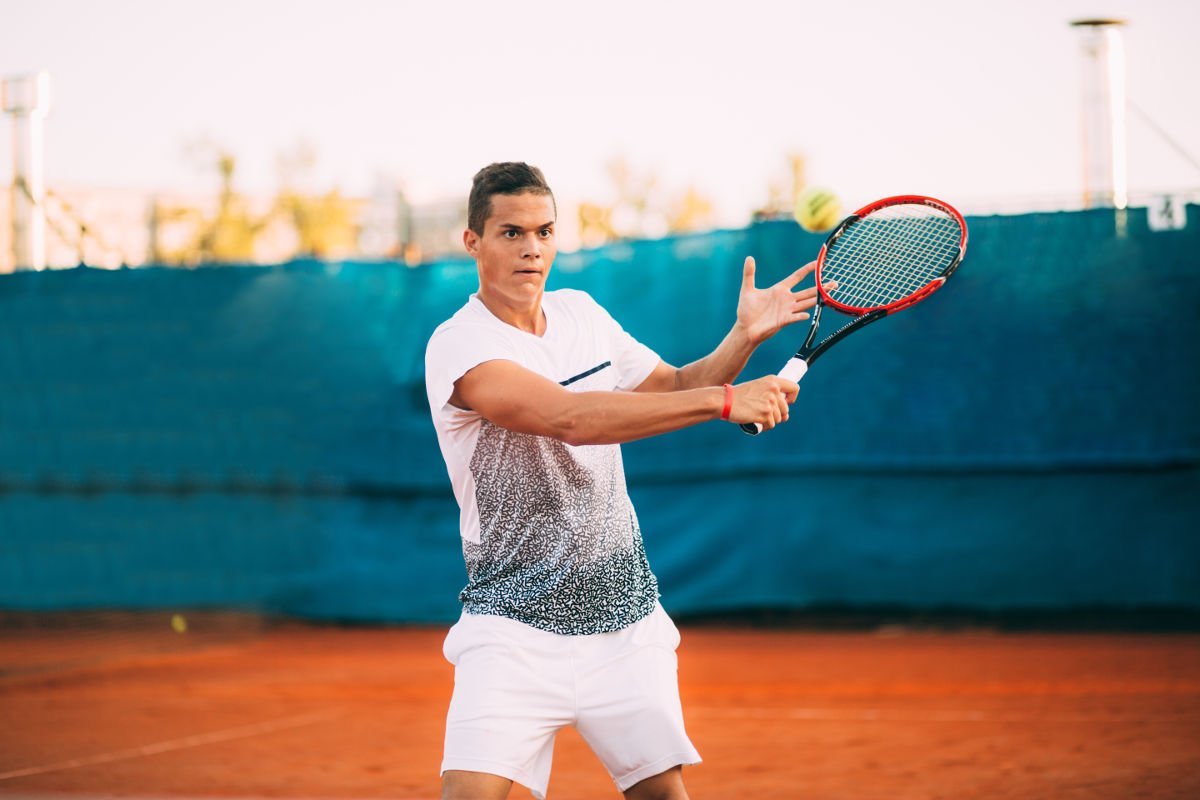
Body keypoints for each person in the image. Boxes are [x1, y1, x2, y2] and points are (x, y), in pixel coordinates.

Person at [424, 162, 832, 800]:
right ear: (473, 241)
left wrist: (743, 339)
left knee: (662, 797)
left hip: (625, 619)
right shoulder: (458, 344)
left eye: (544, 231)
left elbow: (672, 386)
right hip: (511, 628)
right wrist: (726, 401)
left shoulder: (582, 313)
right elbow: (571, 418)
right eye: (510, 233)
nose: (531, 248)